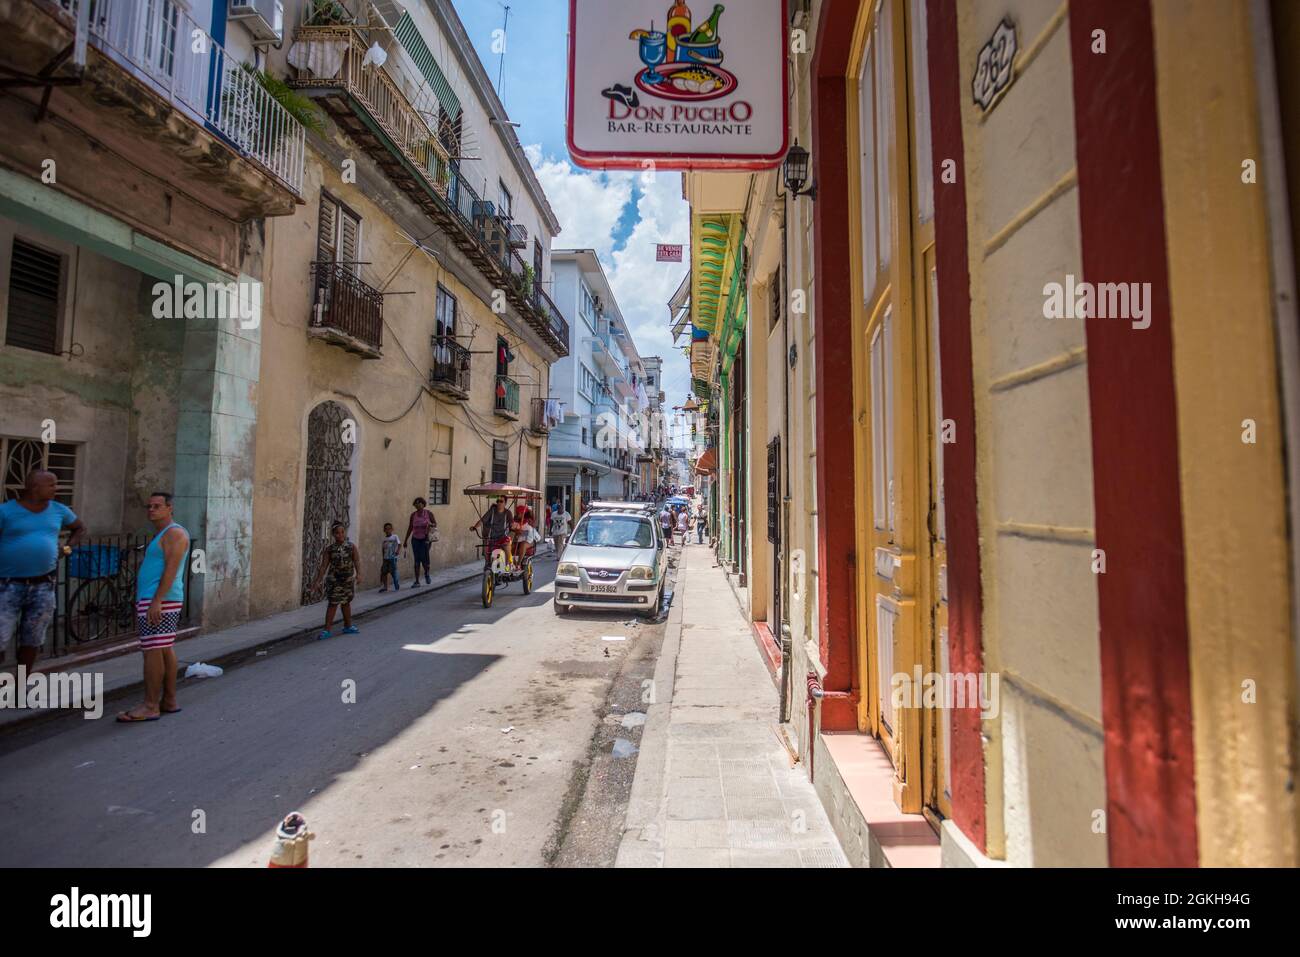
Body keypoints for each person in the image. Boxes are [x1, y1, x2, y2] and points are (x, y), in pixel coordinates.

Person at [0, 470, 86, 673]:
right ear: (34, 487)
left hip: (43, 584)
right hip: (7, 584)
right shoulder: (6, 511)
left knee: (33, 638)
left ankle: (22, 683)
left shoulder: (59, 510)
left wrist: (66, 548)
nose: (56, 488)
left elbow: (79, 528)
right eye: (52, 485)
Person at [117, 491, 189, 722]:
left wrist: (156, 600)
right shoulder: (164, 534)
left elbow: (171, 570)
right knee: (164, 648)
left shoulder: (174, 533)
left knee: (152, 650)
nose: (151, 510)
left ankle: (150, 705)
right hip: (159, 598)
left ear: (170, 508)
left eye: (157, 506)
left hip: (160, 599)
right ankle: (168, 701)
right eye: (149, 506)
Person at [310, 522, 361, 640]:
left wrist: (359, 574)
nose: (340, 535)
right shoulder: (329, 549)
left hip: (347, 580)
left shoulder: (351, 547)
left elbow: (357, 561)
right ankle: (326, 630)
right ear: (333, 534)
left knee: (346, 602)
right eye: (337, 533)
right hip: (334, 581)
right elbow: (323, 566)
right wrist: (318, 581)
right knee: (333, 603)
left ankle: (348, 626)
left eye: (342, 532)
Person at [472, 497, 514, 570]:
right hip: (492, 537)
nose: (499, 503)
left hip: (503, 537)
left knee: (507, 546)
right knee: (485, 545)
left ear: (505, 503)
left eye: (501, 501)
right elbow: (483, 520)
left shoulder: (508, 513)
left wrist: (513, 526)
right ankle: (487, 564)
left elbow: (511, 523)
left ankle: (507, 565)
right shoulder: (492, 511)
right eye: (498, 501)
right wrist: (475, 527)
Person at [403, 498, 436, 588]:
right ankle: (417, 581)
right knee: (417, 560)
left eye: (419, 503)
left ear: (423, 504)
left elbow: (435, 524)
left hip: (426, 539)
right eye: (416, 504)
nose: (417, 505)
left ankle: (426, 573)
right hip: (415, 539)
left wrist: (430, 525)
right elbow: (410, 528)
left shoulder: (428, 514)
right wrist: (405, 540)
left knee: (424, 558)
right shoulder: (413, 515)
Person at [378, 522, 401, 592]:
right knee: (384, 572)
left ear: (392, 529)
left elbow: (399, 544)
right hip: (385, 558)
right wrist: (383, 558)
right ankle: (385, 587)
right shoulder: (384, 539)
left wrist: (398, 551)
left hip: (392, 558)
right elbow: (383, 549)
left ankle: (396, 582)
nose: (388, 530)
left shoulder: (395, 537)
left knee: (393, 572)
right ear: (384, 530)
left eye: (389, 529)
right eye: (386, 529)